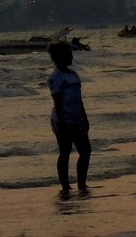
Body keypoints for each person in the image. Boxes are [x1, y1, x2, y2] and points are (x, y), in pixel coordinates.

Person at [47, 40, 91, 194]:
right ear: (61, 57)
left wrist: (84, 117)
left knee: (85, 150)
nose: (72, 57)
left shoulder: (73, 75)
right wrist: (64, 123)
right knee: (65, 151)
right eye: (69, 54)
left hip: (76, 118)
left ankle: (82, 184)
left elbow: (79, 99)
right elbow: (57, 102)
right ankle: (65, 186)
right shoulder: (55, 77)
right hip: (61, 120)